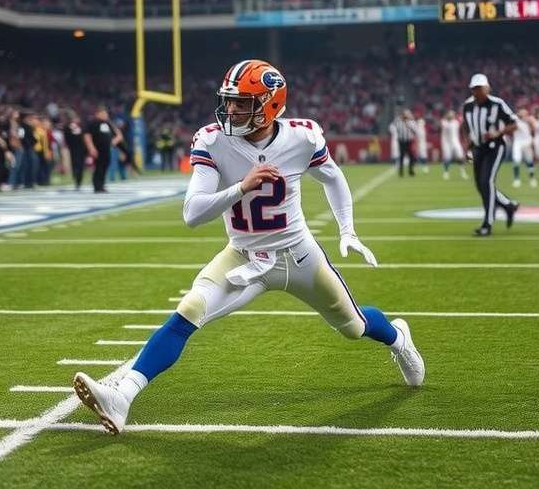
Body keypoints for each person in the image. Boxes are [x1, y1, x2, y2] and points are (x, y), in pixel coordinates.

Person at [73, 59, 425, 435]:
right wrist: (241, 186)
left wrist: (347, 230)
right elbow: (192, 213)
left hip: (299, 255)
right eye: (231, 101)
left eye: (244, 103)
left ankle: (399, 338)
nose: (233, 110)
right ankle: (122, 396)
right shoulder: (213, 139)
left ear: (271, 104)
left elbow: (333, 178)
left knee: (353, 326)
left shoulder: (301, 137)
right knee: (191, 307)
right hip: (244, 256)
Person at [461, 73, 519, 237]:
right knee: (481, 185)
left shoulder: (497, 103)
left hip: (495, 147)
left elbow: (514, 124)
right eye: (474, 88)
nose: (477, 91)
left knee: (486, 182)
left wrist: (498, 132)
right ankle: (508, 206)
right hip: (478, 148)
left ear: (487, 88)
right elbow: (465, 125)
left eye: (480, 88)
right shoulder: (468, 106)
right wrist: (467, 146)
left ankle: (488, 223)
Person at [84, 106, 115, 193]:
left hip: (107, 149)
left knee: (105, 167)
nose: (106, 115)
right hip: (98, 149)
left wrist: (112, 143)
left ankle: (101, 185)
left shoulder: (107, 124)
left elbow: (115, 134)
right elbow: (87, 135)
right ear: (98, 114)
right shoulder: (94, 123)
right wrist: (91, 148)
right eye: (104, 113)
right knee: (99, 167)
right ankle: (97, 186)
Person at [511, 108, 537, 188]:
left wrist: (530, 122)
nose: (523, 114)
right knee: (516, 160)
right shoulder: (514, 119)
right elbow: (510, 126)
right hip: (517, 142)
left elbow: (534, 128)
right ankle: (516, 179)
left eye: (525, 113)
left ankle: (532, 178)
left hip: (527, 141)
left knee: (529, 160)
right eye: (522, 113)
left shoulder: (529, 119)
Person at [439, 110, 468, 180]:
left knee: (460, 157)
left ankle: (463, 172)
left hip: (455, 142)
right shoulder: (444, 122)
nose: (451, 115)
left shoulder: (456, 122)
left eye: (452, 114)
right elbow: (443, 125)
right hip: (446, 142)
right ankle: (446, 172)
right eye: (450, 114)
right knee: (447, 157)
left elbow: (462, 124)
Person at [390, 110, 417, 177]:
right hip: (401, 140)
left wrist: (408, 124)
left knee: (411, 156)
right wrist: (396, 133)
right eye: (405, 114)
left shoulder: (411, 121)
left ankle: (410, 170)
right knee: (401, 156)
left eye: (407, 114)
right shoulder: (398, 121)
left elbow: (415, 131)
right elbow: (391, 127)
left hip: (409, 140)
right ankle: (401, 171)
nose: (406, 115)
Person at [64, 111, 86, 189]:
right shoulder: (68, 127)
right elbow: (67, 138)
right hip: (73, 149)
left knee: (81, 166)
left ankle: (79, 180)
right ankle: (76, 179)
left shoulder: (82, 127)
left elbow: (85, 138)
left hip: (82, 150)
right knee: (75, 165)